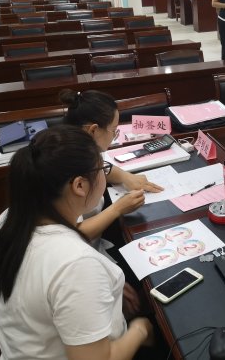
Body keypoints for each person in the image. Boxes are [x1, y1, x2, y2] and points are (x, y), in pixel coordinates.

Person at [0, 126, 154, 359]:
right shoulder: (76, 264)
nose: (104, 175)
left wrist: (104, 287)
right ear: (79, 186)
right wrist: (141, 328)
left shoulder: (9, 219)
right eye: (102, 169)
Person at [60, 89, 163, 318]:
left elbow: (102, 166)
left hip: (89, 250)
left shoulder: (80, 146)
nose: (115, 136)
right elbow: (71, 234)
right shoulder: (67, 165)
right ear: (93, 130)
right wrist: (118, 208)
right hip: (78, 259)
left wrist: (125, 176)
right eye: (114, 131)